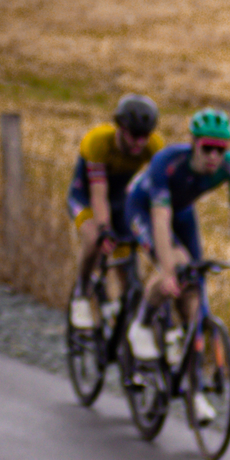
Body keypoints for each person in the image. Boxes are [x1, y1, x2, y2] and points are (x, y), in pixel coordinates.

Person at [122, 108, 230, 363]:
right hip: (143, 207)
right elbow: (160, 219)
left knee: (195, 284)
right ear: (193, 144)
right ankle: (141, 325)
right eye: (207, 148)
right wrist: (166, 271)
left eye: (220, 150)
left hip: (182, 212)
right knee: (177, 263)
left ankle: (189, 378)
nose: (213, 156)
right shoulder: (167, 162)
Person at [66, 94, 162, 304]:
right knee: (94, 239)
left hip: (119, 201)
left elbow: (161, 191)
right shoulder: (98, 141)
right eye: (134, 135)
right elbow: (98, 195)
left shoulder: (153, 146)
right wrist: (103, 228)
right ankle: (81, 291)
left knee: (125, 261)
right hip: (86, 196)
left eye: (145, 135)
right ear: (120, 128)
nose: (140, 142)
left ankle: (122, 314)